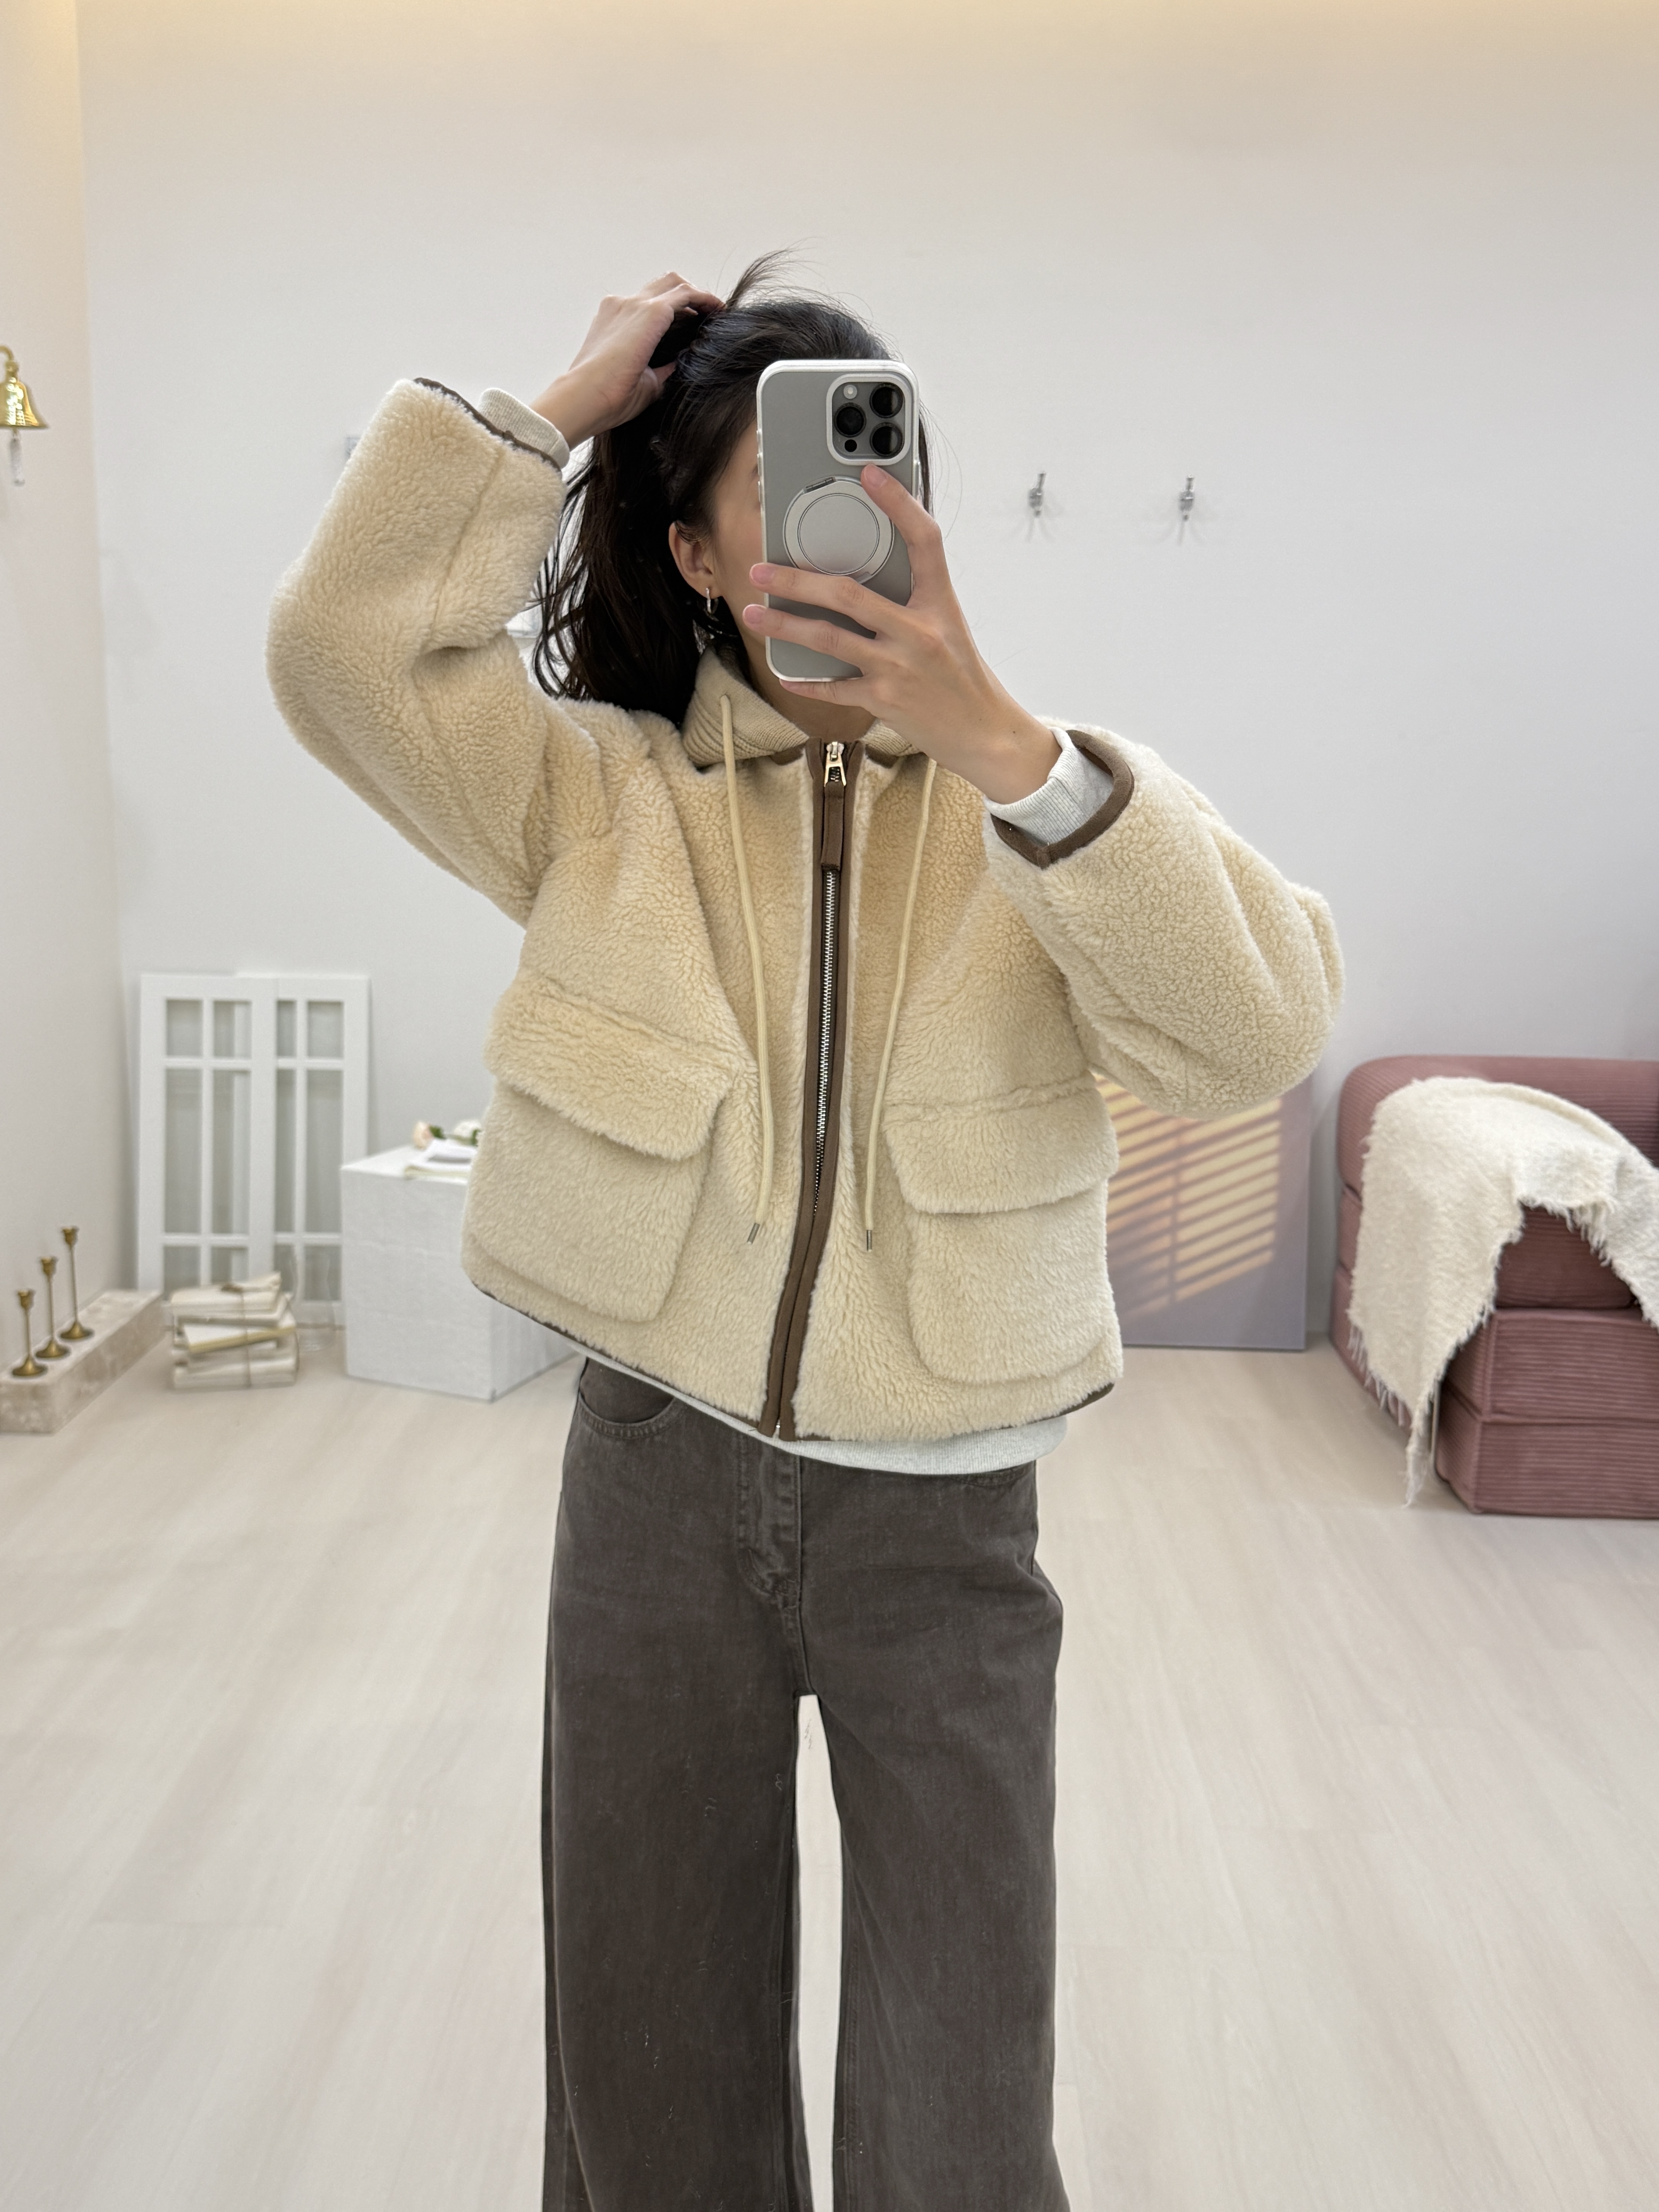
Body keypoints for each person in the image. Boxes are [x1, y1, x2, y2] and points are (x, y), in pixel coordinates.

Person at [268, 257, 1341, 2211]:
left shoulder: (1043, 804)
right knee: (647, 2062)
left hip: (946, 1513)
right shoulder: (596, 798)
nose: (862, 520)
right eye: (795, 491)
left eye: (886, 470)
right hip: (658, 1480)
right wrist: (562, 406)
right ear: (692, 553)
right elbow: (341, 651)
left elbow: (1256, 1031)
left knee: (960, 2099)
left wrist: (1004, 743)